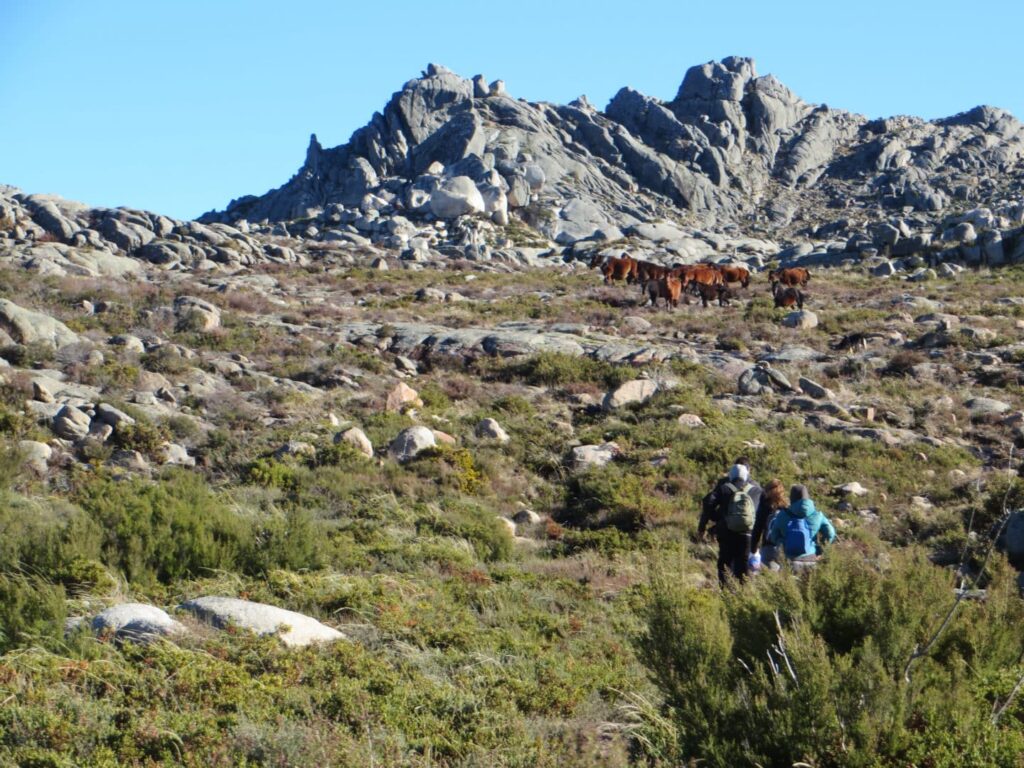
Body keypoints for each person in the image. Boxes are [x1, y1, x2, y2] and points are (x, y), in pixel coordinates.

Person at [698, 460, 763, 584]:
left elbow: (708, 501)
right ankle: (742, 592)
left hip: (726, 531)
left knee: (724, 562)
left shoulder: (724, 488)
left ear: (730, 476)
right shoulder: (756, 490)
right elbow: (763, 513)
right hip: (747, 533)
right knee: (743, 563)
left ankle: (725, 592)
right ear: (747, 475)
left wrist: (716, 518)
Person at [767, 484, 837, 562]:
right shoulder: (818, 515)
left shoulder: (782, 515)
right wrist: (819, 549)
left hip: (789, 560)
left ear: (792, 498)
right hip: (810, 557)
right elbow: (831, 533)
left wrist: (782, 543)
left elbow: (773, 536)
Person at [751, 478, 787, 569]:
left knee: (769, 577)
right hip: (784, 548)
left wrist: (753, 549)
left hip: (768, 548)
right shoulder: (787, 508)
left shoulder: (764, 507)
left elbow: (757, 528)